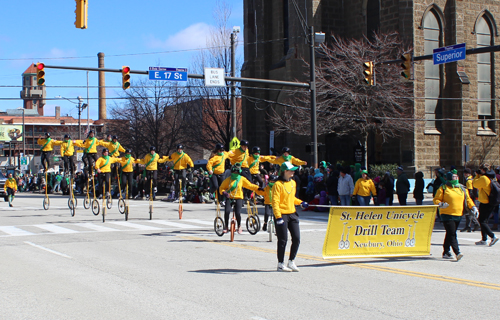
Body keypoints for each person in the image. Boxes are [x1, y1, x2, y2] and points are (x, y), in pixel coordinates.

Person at [272, 162, 308, 272]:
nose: (293, 172)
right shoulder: (277, 184)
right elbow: (275, 202)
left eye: (293, 170)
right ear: (284, 171)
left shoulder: (293, 183)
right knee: (283, 240)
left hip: (292, 213)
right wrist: (278, 217)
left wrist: (301, 202)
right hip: (282, 214)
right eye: (291, 170)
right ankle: (280, 263)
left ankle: (291, 261)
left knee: (296, 238)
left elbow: (292, 198)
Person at [433, 171, 478, 261]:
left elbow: (468, 199)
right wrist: (441, 204)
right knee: (452, 233)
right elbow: (436, 199)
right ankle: (457, 252)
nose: (456, 178)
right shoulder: (444, 188)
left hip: (458, 214)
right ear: (449, 178)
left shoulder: (461, 188)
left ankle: (446, 252)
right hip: (447, 214)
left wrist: (473, 207)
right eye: (454, 177)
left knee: (450, 233)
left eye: (457, 176)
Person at [219, 163, 260, 234]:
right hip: (230, 197)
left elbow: (250, 185)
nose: (235, 173)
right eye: (234, 172)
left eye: (237, 172)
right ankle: (226, 226)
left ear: (239, 172)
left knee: (238, 212)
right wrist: (224, 193)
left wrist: (258, 188)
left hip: (239, 197)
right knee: (227, 211)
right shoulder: (228, 180)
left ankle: (239, 226)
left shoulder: (242, 179)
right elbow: (221, 188)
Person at [472, 165, 499, 246]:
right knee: (485, 221)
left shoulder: (484, 178)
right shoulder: (493, 178)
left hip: (485, 202)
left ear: (483, 170)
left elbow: (475, 184)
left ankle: (492, 236)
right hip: (492, 202)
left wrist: (477, 175)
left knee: (482, 221)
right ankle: (484, 239)